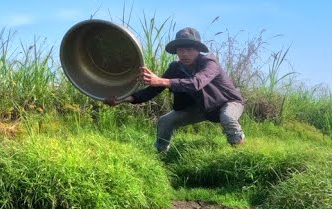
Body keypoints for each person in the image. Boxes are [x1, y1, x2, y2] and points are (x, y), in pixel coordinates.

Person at [105, 27, 245, 152]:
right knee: (165, 121)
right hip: (203, 107)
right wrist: (123, 99)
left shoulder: (209, 62)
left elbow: (196, 83)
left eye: (189, 50)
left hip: (228, 102)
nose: (184, 54)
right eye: (180, 50)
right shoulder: (176, 68)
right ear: (176, 51)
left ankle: (239, 152)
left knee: (227, 117)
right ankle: (160, 154)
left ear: (198, 50)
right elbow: (152, 90)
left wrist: (160, 80)